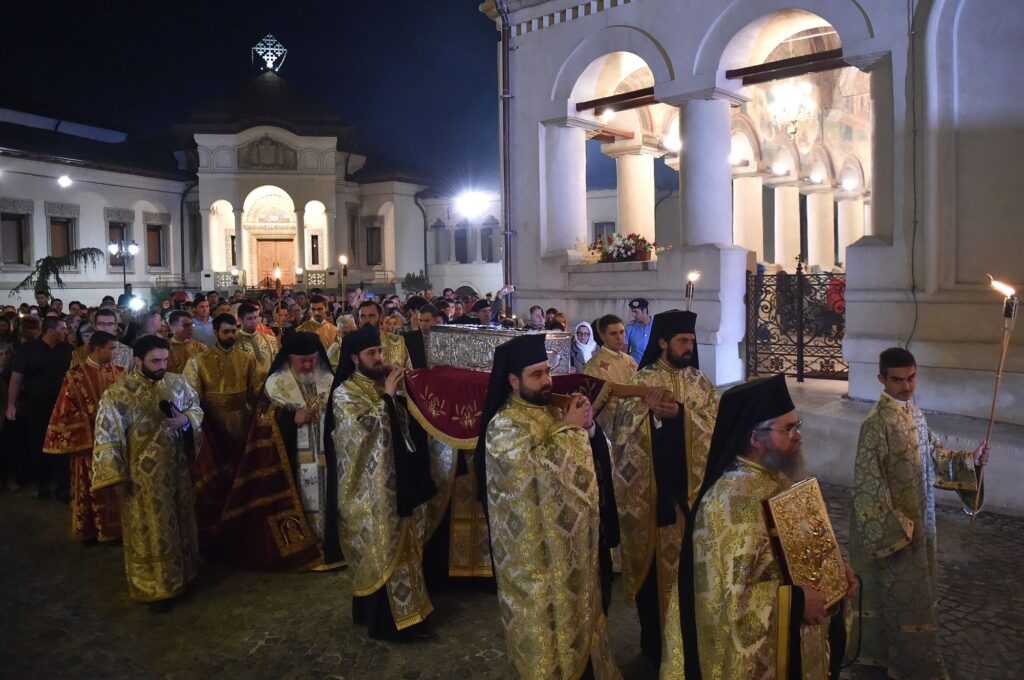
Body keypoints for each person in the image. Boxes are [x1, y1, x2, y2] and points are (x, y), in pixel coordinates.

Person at [682, 374, 855, 680]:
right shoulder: (727, 502)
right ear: (754, 437)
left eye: (797, 426)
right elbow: (731, 602)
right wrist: (797, 602)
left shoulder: (779, 480)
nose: (797, 435)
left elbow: (806, 550)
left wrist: (836, 576)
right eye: (788, 428)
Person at [478, 334, 619, 678]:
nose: (547, 381)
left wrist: (588, 428)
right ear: (513, 381)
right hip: (536, 563)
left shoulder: (551, 410)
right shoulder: (504, 427)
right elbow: (536, 479)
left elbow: (590, 457)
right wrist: (571, 432)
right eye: (536, 375)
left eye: (547, 371)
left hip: (573, 554)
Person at [850, 348, 986, 680]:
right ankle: (889, 664)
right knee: (893, 599)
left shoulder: (913, 412)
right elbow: (867, 485)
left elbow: (935, 454)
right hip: (896, 533)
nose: (907, 386)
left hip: (920, 525)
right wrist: (897, 530)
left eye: (911, 378)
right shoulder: (875, 425)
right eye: (898, 380)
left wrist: (971, 459)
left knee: (916, 599)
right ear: (881, 379)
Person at [610, 310, 718, 673]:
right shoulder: (642, 382)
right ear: (662, 342)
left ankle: (693, 647)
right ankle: (656, 649)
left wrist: (682, 415)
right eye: (682, 341)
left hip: (694, 501)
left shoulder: (700, 382)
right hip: (658, 502)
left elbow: (715, 429)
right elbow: (624, 439)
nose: (689, 347)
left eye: (691, 341)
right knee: (657, 583)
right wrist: (651, 417)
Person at [328, 325, 436, 640]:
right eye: (371, 354)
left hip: (398, 482)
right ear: (354, 358)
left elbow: (404, 425)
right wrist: (388, 397)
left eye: (379, 352)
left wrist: (401, 393)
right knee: (382, 549)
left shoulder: (380, 384)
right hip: (369, 492)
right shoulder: (344, 393)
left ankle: (413, 616)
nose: (378, 358)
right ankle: (390, 625)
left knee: (407, 549)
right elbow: (357, 436)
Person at [91, 335, 203, 612]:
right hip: (141, 480)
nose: (162, 365)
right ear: (138, 360)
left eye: (165, 359)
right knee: (151, 531)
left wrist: (186, 421)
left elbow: (196, 408)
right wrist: (116, 478)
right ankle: (156, 587)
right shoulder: (117, 394)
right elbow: (107, 438)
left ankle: (185, 573)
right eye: (155, 361)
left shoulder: (176, 383)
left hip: (176, 471)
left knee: (179, 523)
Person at [210, 332, 338, 571]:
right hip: (292, 460)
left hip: (326, 456)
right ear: (289, 359)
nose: (310, 365)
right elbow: (261, 421)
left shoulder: (328, 379)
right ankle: (305, 547)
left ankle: (331, 545)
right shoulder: (275, 383)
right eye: (303, 361)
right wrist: (291, 418)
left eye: (313, 359)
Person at [183, 313, 259, 549]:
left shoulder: (247, 359)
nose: (231, 335)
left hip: (241, 422)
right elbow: (191, 396)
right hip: (212, 426)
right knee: (215, 473)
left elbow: (256, 390)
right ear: (215, 332)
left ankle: (240, 515)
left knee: (240, 470)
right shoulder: (199, 360)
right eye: (226, 332)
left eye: (233, 331)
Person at [42, 331, 125, 542]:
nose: (115, 352)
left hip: (115, 444)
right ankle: (91, 530)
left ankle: (116, 530)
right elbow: (65, 412)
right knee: (90, 488)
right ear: (97, 349)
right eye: (111, 348)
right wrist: (93, 428)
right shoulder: (74, 377)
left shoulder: (120, 373)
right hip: (88, 445)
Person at [6, 316, 73, 499]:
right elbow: (16, 380)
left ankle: (62, 487)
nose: (66, 331)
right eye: (62, 329)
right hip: (36, 408)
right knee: (38, 445)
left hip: (63, 407)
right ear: (50, 332)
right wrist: (11, 404)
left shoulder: (68, 351)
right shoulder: (27, 351)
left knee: (63, 446)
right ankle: (43, 485)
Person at [583, 314, 638, 433]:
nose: (619, 337)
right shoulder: (593, 367)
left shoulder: (630, 361)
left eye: (622, 332)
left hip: (635, 424)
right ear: (603, 336)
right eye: (613, 334)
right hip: (609, 428)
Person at [236, 302, 278, 385]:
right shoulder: (234, 343)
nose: (254, 321)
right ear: (240, 320)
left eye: (255, 318)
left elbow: (277, 365)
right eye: (249, 319)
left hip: (269, 387)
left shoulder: (270, 340)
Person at [625, 298, 653, 365]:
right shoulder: (629, 328)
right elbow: (624, 351)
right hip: (635, 369)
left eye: (635, 312)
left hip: (654, 369)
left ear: (645, 311)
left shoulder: (657, 326)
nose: (633, 315)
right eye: (632, 312)